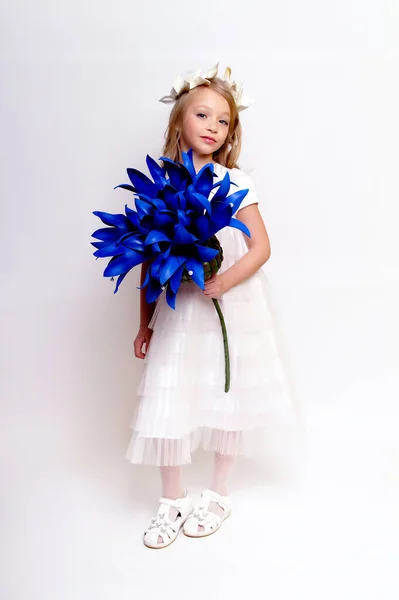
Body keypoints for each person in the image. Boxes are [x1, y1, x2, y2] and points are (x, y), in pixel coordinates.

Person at [125, 64, 299, 549]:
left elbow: (261, 248)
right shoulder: (162, 184)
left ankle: (219, 492)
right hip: (180, 309)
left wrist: (224, 282)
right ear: (179, 121)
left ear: (229, 133)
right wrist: (145, 321)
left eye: (223, 121)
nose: (212, 126)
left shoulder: (236, 181)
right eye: (202, 114)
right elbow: (149, 258)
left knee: (229, 393)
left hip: (230, 303)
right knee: (170, 391)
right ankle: (171, 498)